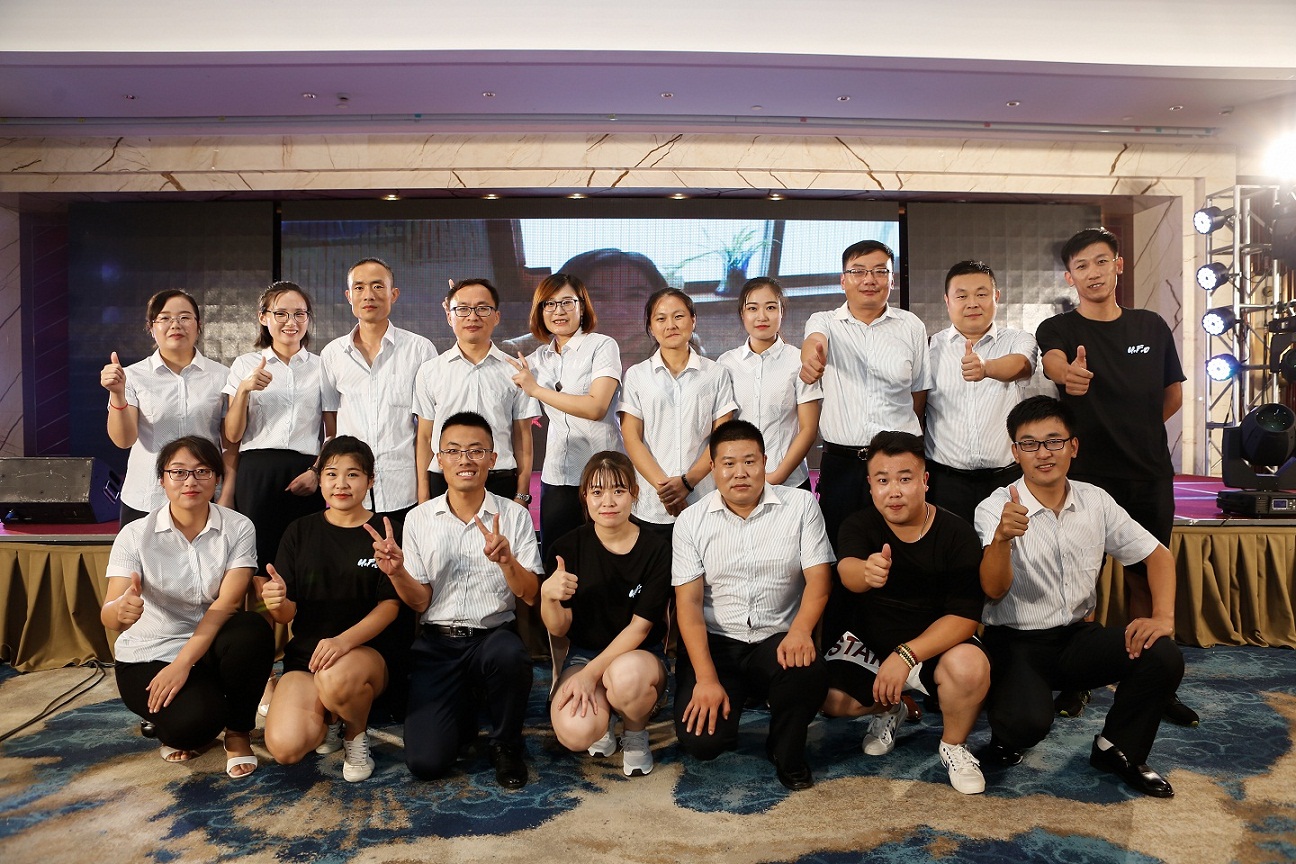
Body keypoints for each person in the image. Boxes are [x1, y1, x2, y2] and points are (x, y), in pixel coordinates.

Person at [974, 396, 1184, 798]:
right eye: (1030, 443)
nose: (1043, 453)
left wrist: (1164, 618)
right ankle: (1008, 731)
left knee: (1161, 654)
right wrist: (1001, 539)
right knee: (1025, 726)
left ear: (1073, 446)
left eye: (1054, 441)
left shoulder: (1095, 500)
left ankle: (1117, 749)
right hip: (1015, 642)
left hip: (1076, 637)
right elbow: (993, 589)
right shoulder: (995, 507)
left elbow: (1157, 555)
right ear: (1015, 452)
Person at [1035, 228, 1195, 727]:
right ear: (1070, 277)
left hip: (1147, 473)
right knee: (1080, 585)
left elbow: (1173, 394)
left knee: (1143, 578)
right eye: (1081, 266)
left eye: (1101, 261)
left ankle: (1149, 680)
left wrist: (1137, 428)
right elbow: (1054, 363)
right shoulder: (1058, 328)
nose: (1093, 273)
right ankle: (1078, 680)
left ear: (1118, 265)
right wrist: (1067, 375)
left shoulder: (1151, 325)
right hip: (1085, 478)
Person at [368, 411, 543, 789]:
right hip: (438, 646)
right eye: (454, 450)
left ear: (493, 459)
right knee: (426, 763)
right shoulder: (419, 519)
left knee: (509, 655)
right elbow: (419, 603)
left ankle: (506, 744)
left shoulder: (514, 516)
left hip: (493, 638)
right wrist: (397, 573)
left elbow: (530, 594)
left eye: (476, 451)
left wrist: (507, 561)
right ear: (439, 459)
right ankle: (464, 709)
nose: (465, 459)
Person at [821, 431, 990, 795]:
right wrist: (866, 572)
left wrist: (905, 655)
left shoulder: (957, 533)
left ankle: (954, 746)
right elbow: (847, 571)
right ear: (870, 485)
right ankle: (890, 708)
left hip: (931, 646)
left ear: (925, 481)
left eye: (904, 479)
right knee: (826, 697)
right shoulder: (858, 524)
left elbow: (965, 618)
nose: (893, 491)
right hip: (871, 642)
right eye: (883, 480)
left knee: (970, 667)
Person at [98, 435, 274, 777]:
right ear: (161, 480)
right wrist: (120, 610)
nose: (190, 481)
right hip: (150, 652)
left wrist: (182, 664)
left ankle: (238, 733)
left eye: (202, 471)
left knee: (251, 628)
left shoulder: (238, 527)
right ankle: (187, 713)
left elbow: (226, 604)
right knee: (191, 728)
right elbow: (109, 613)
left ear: (217, 478)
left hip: (209, 645)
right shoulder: (134, 535)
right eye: (178, 472)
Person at [671, 420, 833, 791]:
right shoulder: (691, 521)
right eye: (729, 464)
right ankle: (728, 709)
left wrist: (801, 631)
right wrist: (706, 679)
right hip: (718, 643)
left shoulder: (800, 506)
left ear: (764, 462)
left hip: (778, 638)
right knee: (702, 743)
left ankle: (785, 749)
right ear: (713, 468)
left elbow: (819, 581)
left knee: (807, 669)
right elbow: (689, 606)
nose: (740, 472)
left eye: (749, 461)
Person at [260, 436, 408, 783]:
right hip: (308, 658)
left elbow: (390, 607)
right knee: (286, 748)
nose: (341, 484)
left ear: (370, 480)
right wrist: (277, 602)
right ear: (320, 479)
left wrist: (343, 642)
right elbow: (286, 614)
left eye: (353, 474)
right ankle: (332, 716)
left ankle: (354, 735)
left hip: (368, 655)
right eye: (331, 474)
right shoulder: (299, 531)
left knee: (336, 676)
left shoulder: (386, 532)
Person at [541, 451, 671, 777]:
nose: (608, 502)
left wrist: (590, 675)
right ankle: (604, 720)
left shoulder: (656, 549)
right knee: (575, 732)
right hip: (584, 654)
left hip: (640, 657)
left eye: (618, 490)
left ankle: (635, 731)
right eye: (597, 492)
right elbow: (559, 629)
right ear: (585, 496)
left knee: (626, 677)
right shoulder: (566, 548)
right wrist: (548, 597)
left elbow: (640, 628)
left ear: (634, 493)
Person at [799, 240, 932, 550]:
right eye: (858, 271)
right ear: (843, 280)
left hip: (900, 462)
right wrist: (811, 360)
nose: (869, 279)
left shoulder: (911, 326)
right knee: (842, 550)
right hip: (843, 466)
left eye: (880, 271)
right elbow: (813, 343)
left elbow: (919, 393)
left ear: (892, 279)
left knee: (905, 551)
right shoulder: (824, 321)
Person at [506, 273, 624, 551]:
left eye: (567, 302)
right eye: (549, 304)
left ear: (582, 307)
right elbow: (495, 366)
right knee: (557, 559)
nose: (558, 311)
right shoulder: (538, 359)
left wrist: (536, 390)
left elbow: (596, 407)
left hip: (603, 475)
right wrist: (459, 312)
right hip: (557, 477)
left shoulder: (601, 345)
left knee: (605, 558)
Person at [100, 290, 234, 525]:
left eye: (185, 317)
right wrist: (117, 394)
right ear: (151, 328)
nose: (175, 324)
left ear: (198, 325)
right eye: (164, 318)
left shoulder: (222, 376)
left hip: (203, 496)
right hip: (147, 497)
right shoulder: (132, 376)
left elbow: (230, 443)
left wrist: (227, 493)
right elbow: (124, 440)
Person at [320, 257, 437, 522]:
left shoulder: (419, 350)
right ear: (349, 296)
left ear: (393, 294)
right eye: (359, 287)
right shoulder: (332, 354)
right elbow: (331, 426)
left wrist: (424, 494)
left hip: (404, 488)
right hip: (349, 492)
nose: (368, 295)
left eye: (377, 286)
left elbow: (428, 430)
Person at [223, 281, 326, 581]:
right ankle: (259, 612)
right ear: (263, 317)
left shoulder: (322, 367)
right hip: (256, 472)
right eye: (281, 314)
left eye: (299, 314)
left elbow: (332, 431)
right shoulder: (245, 364)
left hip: (305, 472)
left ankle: (298, 614)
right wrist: (244, 390)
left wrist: (317, 471)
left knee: (303, 561)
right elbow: (232, 435)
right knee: (257, 562)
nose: (291, 322)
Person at [923, 261, 1037, 524]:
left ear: (996, 297)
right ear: (947, 301)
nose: (972, 303)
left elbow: (1022, 365)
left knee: (1007, 548)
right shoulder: (929, 348)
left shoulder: (1018, 339)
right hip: (945, 482)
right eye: (962, 296)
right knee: (952, 549)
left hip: (1006, 480)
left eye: (981, 294)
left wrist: (986, 368)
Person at [619, 288, 736, 534]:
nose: (670, 325)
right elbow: (631, 438)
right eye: (661, 318)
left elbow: (721, 437)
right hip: (651, 504)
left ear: (693, 320)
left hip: (704, 498)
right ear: (651, 327)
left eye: (679, 316)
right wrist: (667, 491)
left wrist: (687, 483)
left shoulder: (716, 374)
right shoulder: (637, 375)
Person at [414, 278, 540, 506]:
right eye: (462, 309)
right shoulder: (430, 371)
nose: (472, 317)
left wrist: (522, 494)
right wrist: (423, 496)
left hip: (500, 481)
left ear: (496, 316)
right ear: (449, 316)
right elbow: (425, 437)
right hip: (443, 481)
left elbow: (523, 437)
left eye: (482, 308)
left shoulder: (515, 371)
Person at [718, 277, 822, 491]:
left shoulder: (798, 360)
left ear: (782, 311)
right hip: (739, 484)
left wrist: (775, 477)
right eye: (752, 308)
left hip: (790, 483)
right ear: (742, 314)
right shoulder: (726, 364)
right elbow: (721, 430)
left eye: (771, 307)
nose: (762, 316)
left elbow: (808, 429)